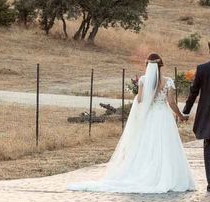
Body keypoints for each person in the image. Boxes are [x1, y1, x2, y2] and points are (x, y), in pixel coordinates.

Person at [68, 53, 196, 193]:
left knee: (146, 145)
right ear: (161, 66)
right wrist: (180, 115)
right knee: (165, 144)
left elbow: (140, 100)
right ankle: (166, 175)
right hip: (163, 116)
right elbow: (171, 102)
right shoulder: (168, 82)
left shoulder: (143, 80)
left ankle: (144, 173)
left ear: (147, 66)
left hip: (148, 117)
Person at [183, 59, 210, 191]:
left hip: (207, 114)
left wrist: (186, 111)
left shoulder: (202, 69)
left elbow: (194, 91)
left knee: (208, 148)